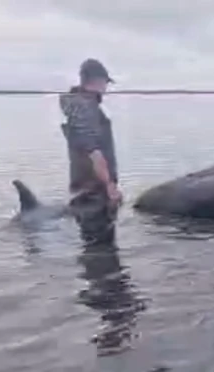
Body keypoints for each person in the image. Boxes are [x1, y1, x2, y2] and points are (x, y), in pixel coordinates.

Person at [59, 58, 123, 244]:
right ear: (99, 80)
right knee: (102, 254)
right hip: (93, 197)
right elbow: (94, 153)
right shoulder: (86, 109)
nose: (106, 88)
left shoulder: (79, 107)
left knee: (94, 253)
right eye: (105, 83)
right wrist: (110, 186)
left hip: (86, 193)